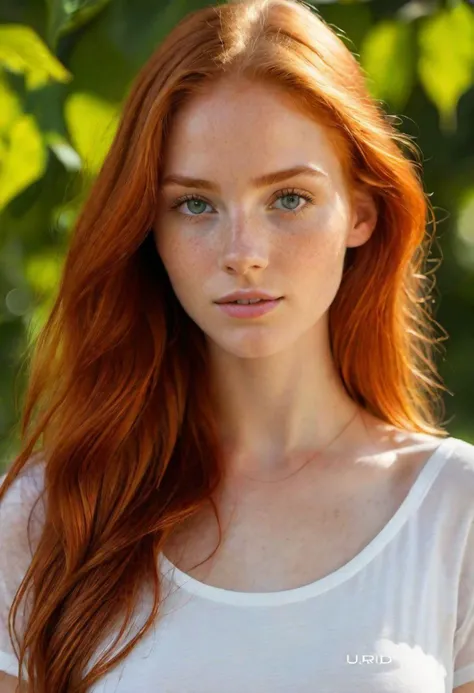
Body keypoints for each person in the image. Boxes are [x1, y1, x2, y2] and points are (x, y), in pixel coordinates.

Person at [1, 0, 474, 690]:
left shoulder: (453, 509)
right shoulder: (48, 515)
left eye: (288, 199)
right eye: (195, 204)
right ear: (147, 229)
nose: (243, 254)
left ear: (362, 213)